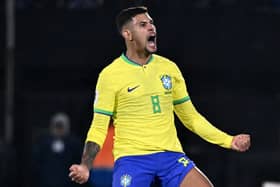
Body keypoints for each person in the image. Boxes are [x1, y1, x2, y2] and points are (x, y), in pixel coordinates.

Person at [69, 6, 251, 187]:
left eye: (151, 23)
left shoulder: (169, 69)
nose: (151, 27)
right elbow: (98, 127)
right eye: (142, 24)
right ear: (128, 34)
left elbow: (191, 118)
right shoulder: (110, 75)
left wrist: (229, 140)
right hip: (133, 159)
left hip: (171, 157)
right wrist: (86, 166)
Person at [32, 112, 82, 187]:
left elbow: (77, 162)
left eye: (61, 127)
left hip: (67, 182)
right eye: (57, 126)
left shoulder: (74, 144)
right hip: (46, 182)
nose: (59, 129)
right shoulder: (44, 143)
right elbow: (37, 163)